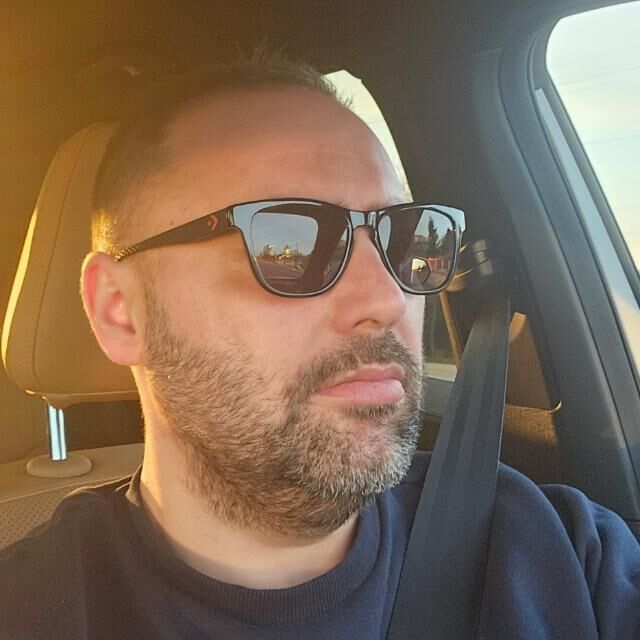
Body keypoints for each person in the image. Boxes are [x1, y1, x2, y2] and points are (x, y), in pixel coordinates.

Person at [1, 53, 639, 640]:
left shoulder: (563, 552)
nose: (387, 299)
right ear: (120, 311)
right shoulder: (30, 609)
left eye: (405, 237)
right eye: (292, 243)